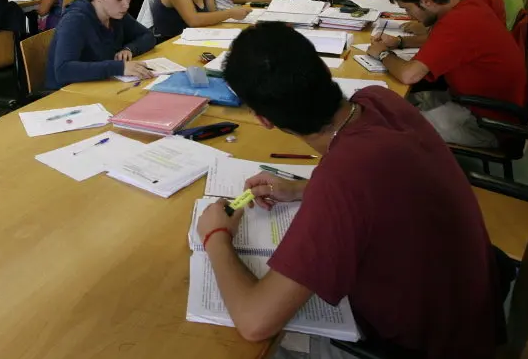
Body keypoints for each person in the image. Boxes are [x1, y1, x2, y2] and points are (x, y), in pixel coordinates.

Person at [197, 20, 502, 358]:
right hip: (473, 308)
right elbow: (377, 187)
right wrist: (302, 189)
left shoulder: (342, 179)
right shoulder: (379, 99)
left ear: (263, 119)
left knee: (261, 348)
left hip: (426, 346)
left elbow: (255, 322)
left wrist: (217, 237)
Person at [368, 0, 526, 148]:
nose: (410, 16)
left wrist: (383, 54)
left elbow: (409, 74)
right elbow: (440, 42)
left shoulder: (456, 24)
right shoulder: (466, 5)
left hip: (487, 122)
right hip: (476, 103)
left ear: (426, 0)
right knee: (389, 105)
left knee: (388, 128)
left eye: (408, 9)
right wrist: (400, 42)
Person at [45, 0, 157, 89]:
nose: (126, 5)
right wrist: (119, 67)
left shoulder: (116, 14)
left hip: (99, 86)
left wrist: (129, 49)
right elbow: (63, 70)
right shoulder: (75, 20)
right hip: (66, 94)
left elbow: (148, 36)